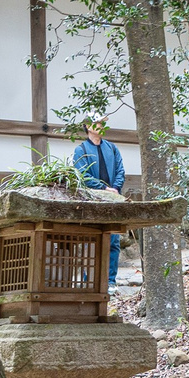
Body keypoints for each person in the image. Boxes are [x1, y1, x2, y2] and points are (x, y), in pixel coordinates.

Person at [71, 120, 127, 282]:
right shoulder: (80, 150)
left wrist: (115, 188)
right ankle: (91, 280)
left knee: (114, 241)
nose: (101, 127)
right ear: (88, 126)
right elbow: (82, 175)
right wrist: (103, 188)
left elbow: (120, 170)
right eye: (97, 124)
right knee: (92, 240)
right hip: (93, 199)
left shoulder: (112, 148)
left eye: (102, 124)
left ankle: (110, 280)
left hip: (113, 199)